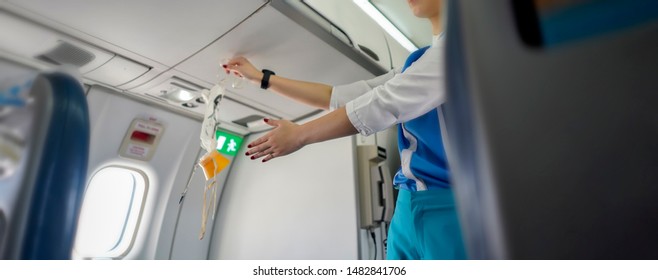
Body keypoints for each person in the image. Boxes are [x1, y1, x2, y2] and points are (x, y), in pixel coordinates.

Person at [224, 0, 465, 260]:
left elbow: (384, 103)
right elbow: (337, 96)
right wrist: (262, 78)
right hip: (407, 204)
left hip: (448, 208)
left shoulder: (461, 51)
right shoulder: (418, 61)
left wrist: (300, 134)